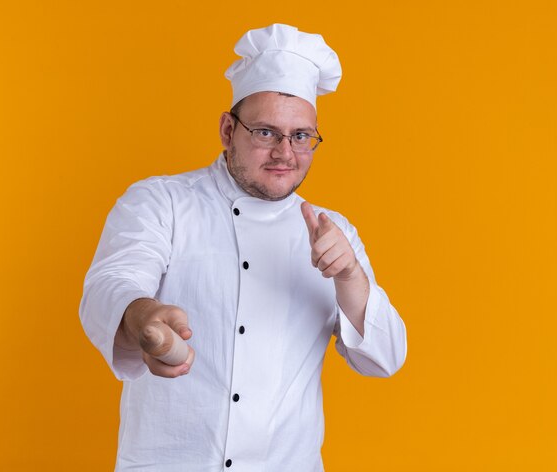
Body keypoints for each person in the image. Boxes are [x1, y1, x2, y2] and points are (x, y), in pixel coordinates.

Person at [80, 23, 407, 472]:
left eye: (301, 136)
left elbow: (386, 359)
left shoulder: (334, 233)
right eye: (266, 133)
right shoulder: (161, 202)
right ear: (227, 129)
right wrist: (143, 317)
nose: (285, 153)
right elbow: (111, 283)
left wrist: (351, 277)